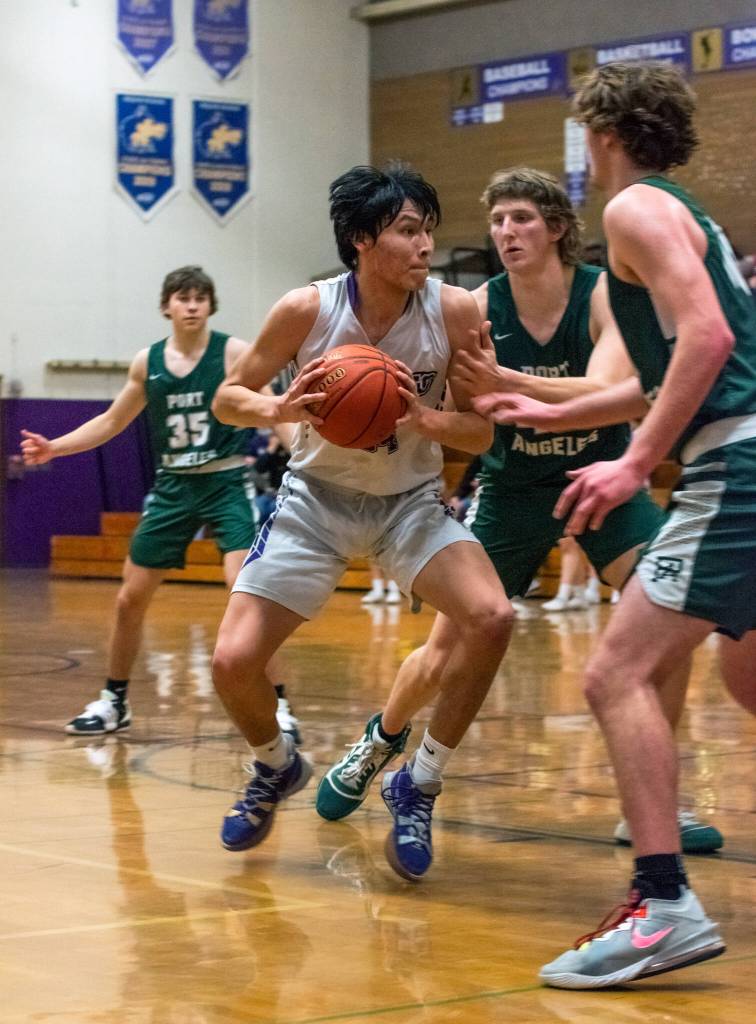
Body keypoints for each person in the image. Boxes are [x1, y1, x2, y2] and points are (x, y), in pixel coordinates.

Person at [317, 167, 722, 857]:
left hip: (600, 476)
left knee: (672, 620)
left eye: (523, 218)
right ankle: (381, 737)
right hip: (512, 486)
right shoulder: (476, 306)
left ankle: (651, 801)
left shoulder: (601, 292)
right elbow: (459, 414)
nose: (506, 231)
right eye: (498, 219)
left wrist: (509, 380)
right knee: (447, 650)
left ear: (558, 228)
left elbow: (614, 386)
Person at [477, 62, 756, 988]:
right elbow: (687, 351)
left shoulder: (635, 209)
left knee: (614, 670)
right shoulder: (683, 212)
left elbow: (710, 343)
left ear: (599, 130)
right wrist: (571, 414)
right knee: (749, 676)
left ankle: (664, 902)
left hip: (737, 466)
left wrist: (636, 460)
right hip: (744, 451)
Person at [209, 163, 512, 879]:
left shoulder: (457, 312)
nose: (424, 246)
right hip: (314, 500)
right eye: (408, 230)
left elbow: (482, 434)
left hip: (408, 502)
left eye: (428, 230)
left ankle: (420, 779)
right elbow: (228, 397)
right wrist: (278, 409)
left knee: (493, 618)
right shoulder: (306, 310)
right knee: (231, 664)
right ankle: (275, 765)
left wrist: (424, 418)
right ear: (361, 240)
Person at [20, 266, 299, 744]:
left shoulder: (233, 352)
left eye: (199, 298)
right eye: (181, 297)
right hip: (173, 486)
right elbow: (111, 421)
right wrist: (56, 447)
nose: (191, 305)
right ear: (166, 306)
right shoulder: (146, 362)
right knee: (130, 599)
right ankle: (114, 700)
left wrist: (303, 455)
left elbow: (273, 409)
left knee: (245, 591)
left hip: (225, 479)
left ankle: (282, 705)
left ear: (211, 305)